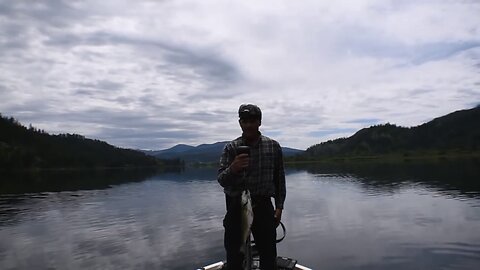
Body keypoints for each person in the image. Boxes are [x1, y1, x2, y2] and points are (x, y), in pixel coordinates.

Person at [218, 104, 286, 270]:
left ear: (259, 122)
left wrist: (279, 207)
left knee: (268, 257)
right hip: (236, 208)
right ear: (240, 123)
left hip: (264, 207)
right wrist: (233, 168)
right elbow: (221, 179)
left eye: (252, 121)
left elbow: (279, 179)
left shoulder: (273, 146)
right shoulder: (231, 148)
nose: (248, 125)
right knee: (234, 258)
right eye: (244, 121)